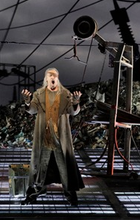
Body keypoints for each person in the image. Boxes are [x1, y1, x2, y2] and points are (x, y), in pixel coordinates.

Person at [21, 67, 84, 206]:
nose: (53, 77)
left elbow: (73, 112)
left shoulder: (65, 94)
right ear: (46, 79)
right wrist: (27, 102)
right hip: (44, 139)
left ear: (57, 78)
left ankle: (71, 197)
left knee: (65, 169)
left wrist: (76, 102)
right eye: (50, 75)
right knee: (40, 169)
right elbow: (32, 110)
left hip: (60, 140)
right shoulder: (39, 94)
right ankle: (32, 195)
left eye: (55, 75)